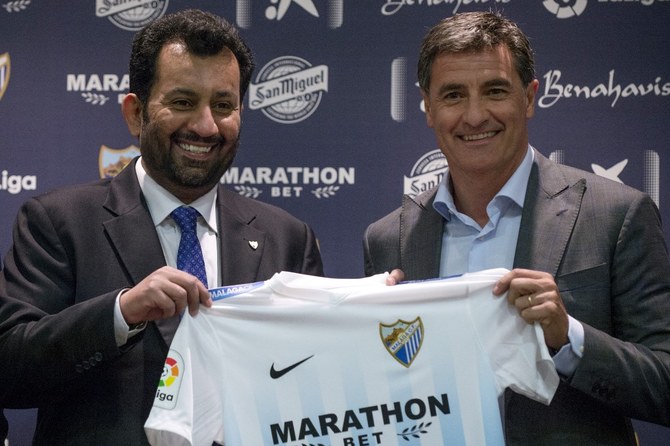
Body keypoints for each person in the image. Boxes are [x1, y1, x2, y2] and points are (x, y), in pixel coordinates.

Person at [0, 9, 323, 445]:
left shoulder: (288, 237)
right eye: (184, 102)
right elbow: (9, 368)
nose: (206, 125)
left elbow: (316, 381)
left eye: (223, 105)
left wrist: (374, 311)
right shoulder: (58, 222)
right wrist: (121, 312)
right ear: (135, 113)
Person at [363, 11, 670, 446]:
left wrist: (569, 339)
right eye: (453, 95)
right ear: (428, 108)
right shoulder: (387, 238)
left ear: (529, 97)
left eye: (495, 91)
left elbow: (664, 382)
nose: (474, 115)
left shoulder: (617, 214)